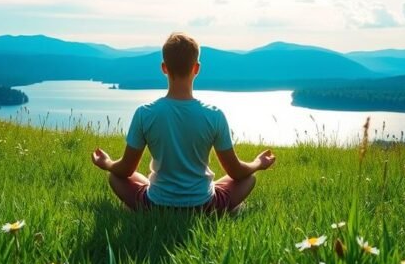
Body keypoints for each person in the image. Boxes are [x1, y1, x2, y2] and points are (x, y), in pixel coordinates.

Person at [90, 32, 276, 213]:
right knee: (249, 179)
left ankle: (144, 206)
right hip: (204, 207)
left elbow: (125, 170)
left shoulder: (145, 114)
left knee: (114, 177)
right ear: (197, 68)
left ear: (164, 68)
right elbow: (236, 172)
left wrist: (106, 163)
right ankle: (224, 210)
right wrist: (258, 163)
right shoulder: (214, 115)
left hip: (155, 206)